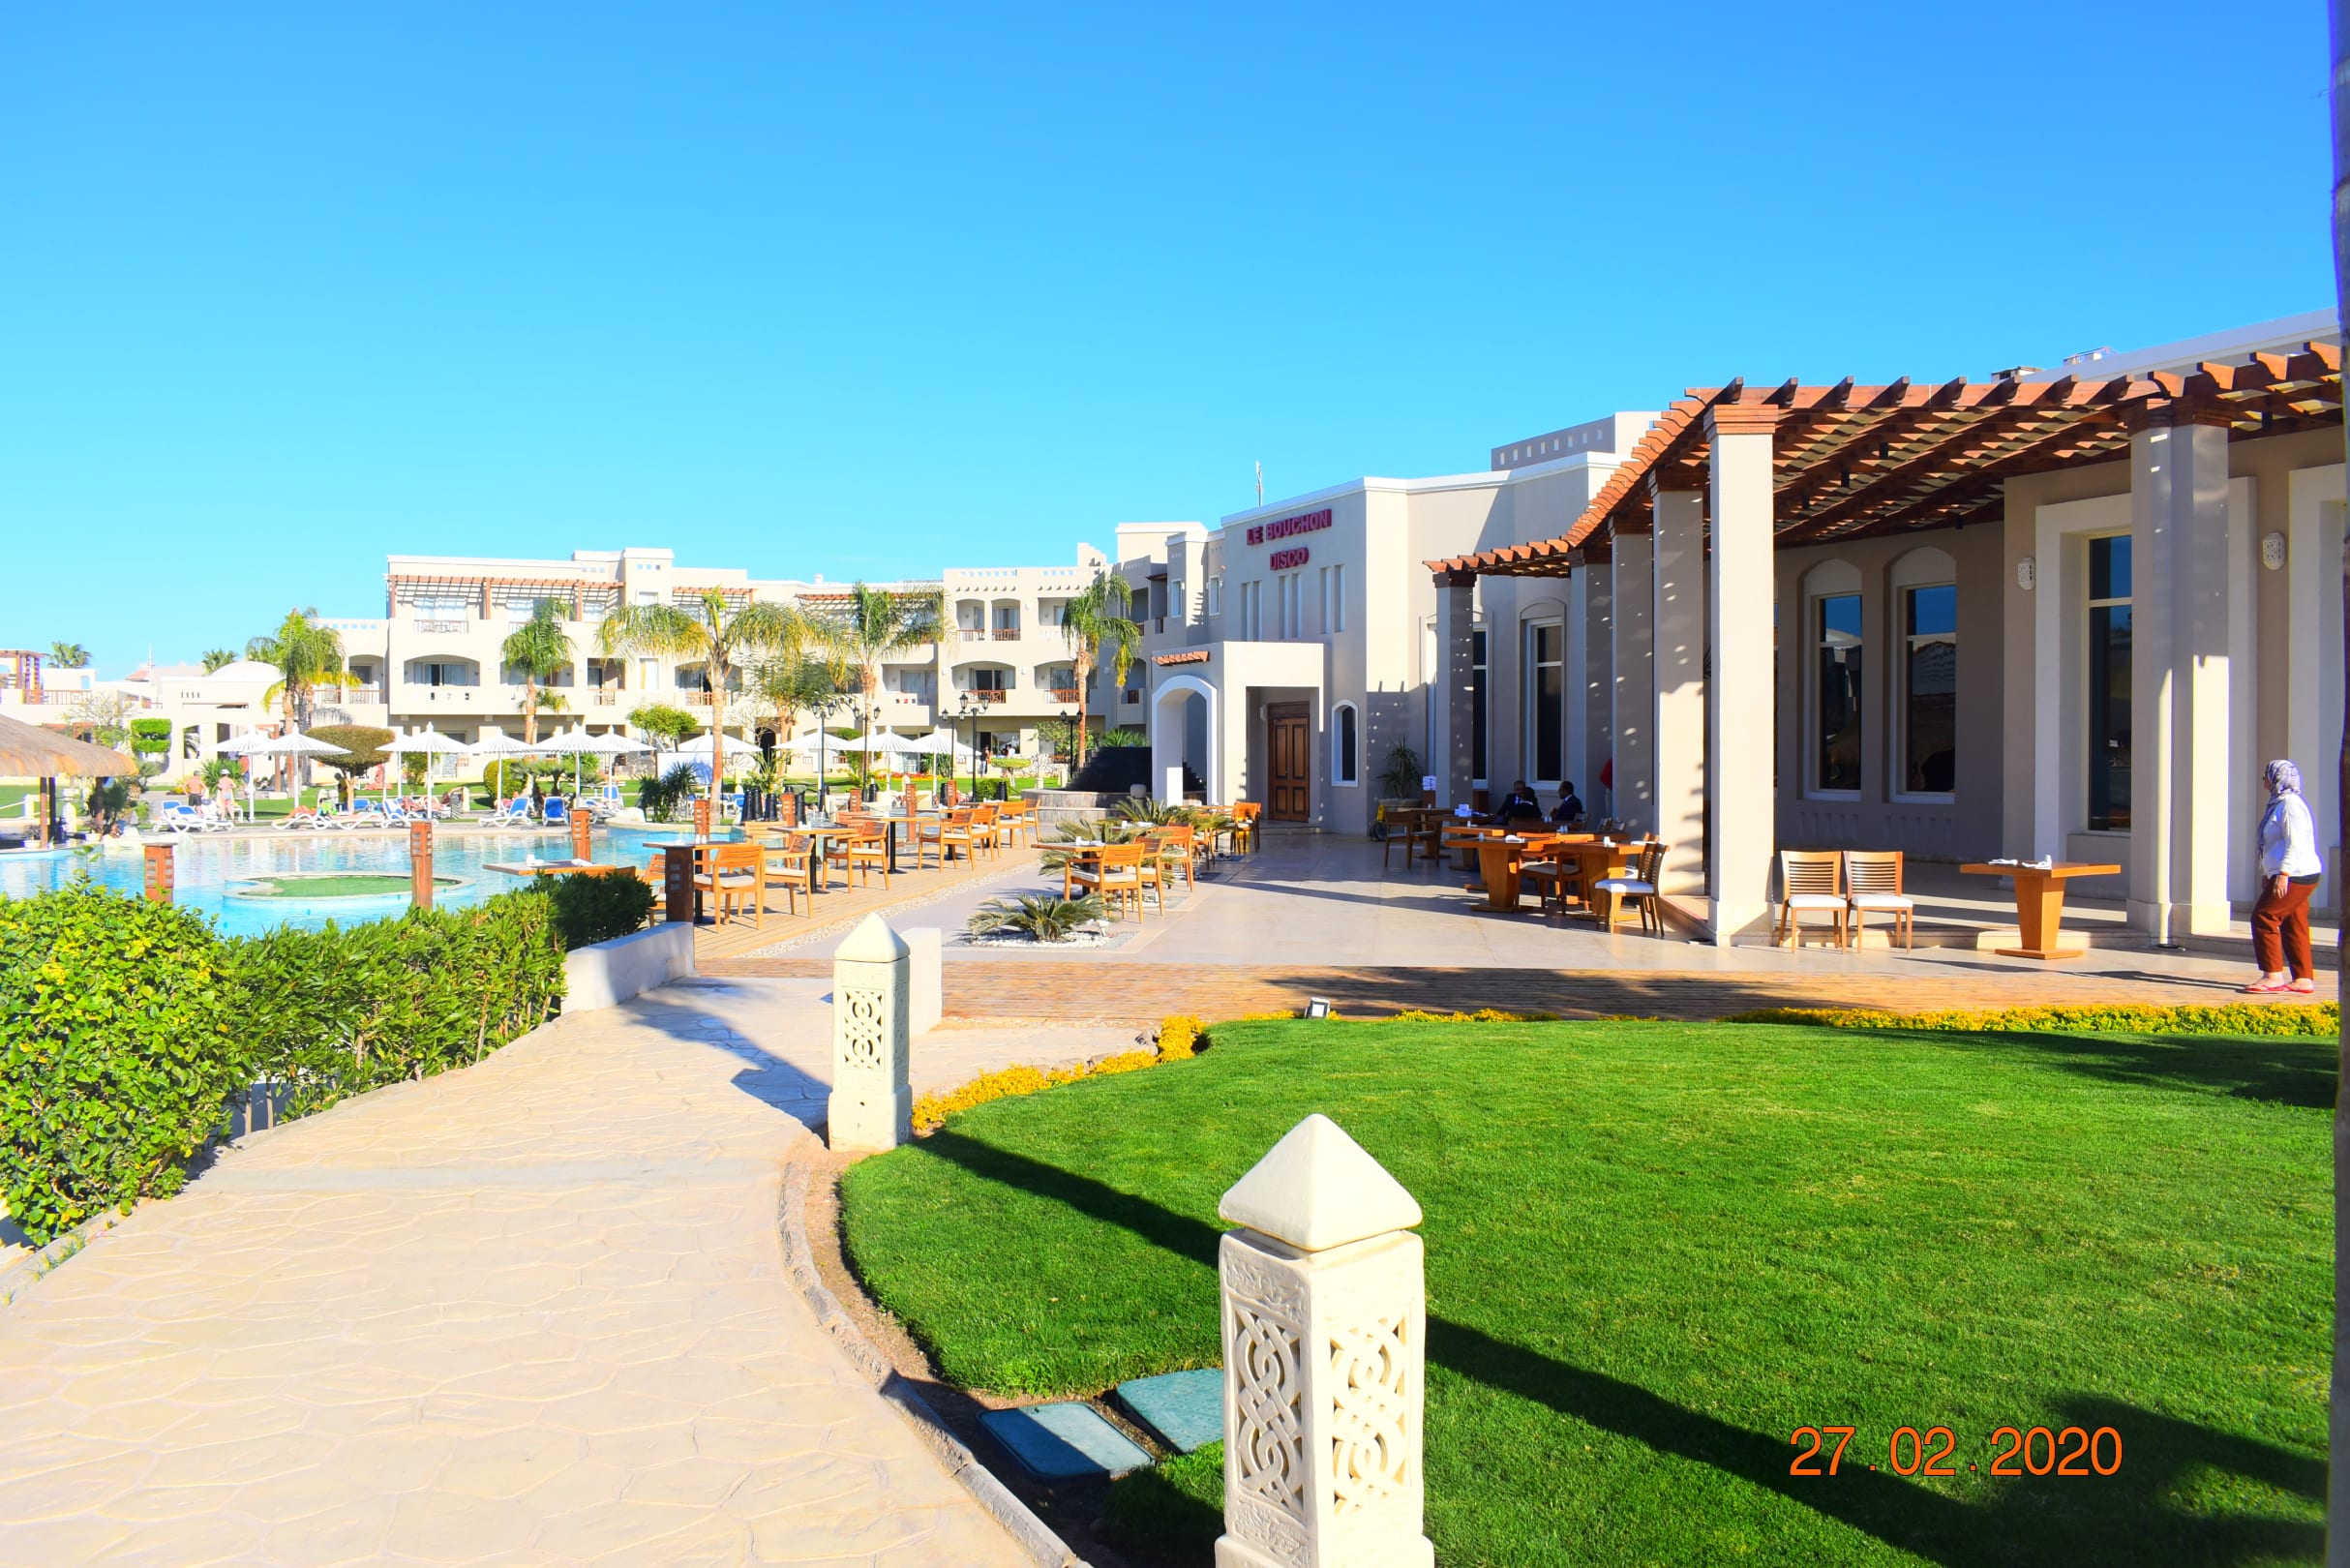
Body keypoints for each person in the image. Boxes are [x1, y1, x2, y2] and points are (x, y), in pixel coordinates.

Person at [2246, 758, 2323, 994]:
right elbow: (2273, 845)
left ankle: (2272, 975)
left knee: (2264, 917)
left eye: (2266, 776)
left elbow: (2295, 843)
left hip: (2296, 874)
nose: (2264, 780)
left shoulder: (2290, 805)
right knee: (2294, 922)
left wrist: (2283, 874)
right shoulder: (2279, 803)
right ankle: (2303, 979)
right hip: (2290, 873)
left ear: (2276, 778)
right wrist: (2269, 873)